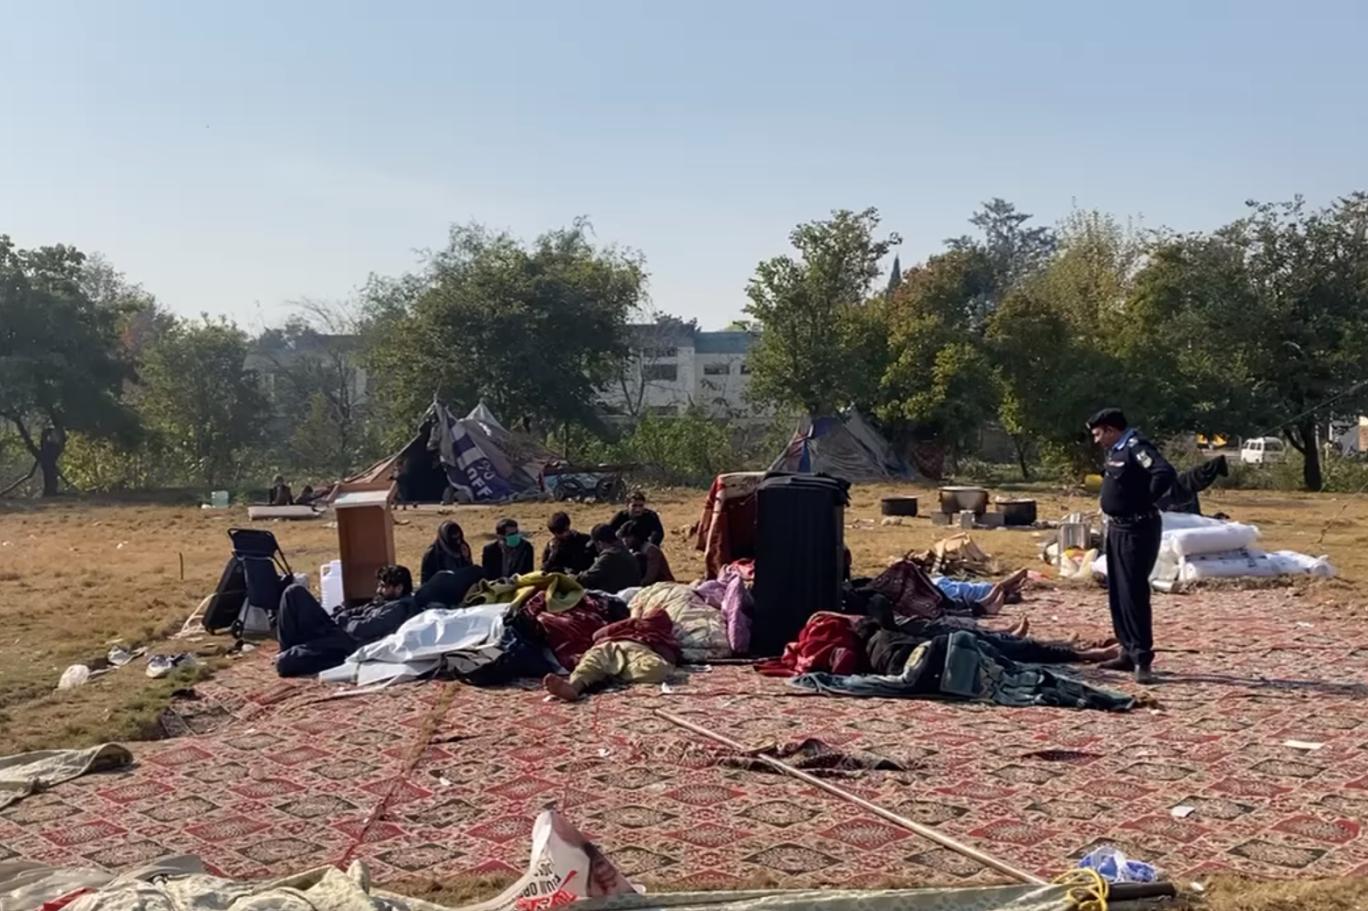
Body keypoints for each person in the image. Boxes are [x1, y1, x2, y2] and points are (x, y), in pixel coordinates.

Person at [1088, 407, 1176, 685]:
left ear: (1112, 430)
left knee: (1134, 592)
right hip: (1117, 527)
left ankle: (1142, 657)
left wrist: (1144, 501)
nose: (1096, 440)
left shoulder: (1137, 447)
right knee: (1118, 591)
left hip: (1138, 528)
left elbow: (1164, 473)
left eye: (1099, 434)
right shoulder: (1116, 450)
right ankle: (1126, 650)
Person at [276, 565, 419, 677]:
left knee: (284, 663)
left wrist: (344, 620)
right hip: (337, 631)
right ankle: (287, 648)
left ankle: (295, 653)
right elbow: (358, 610)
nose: (378, 590)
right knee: (294, 592)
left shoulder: (398, 609)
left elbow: (364, 629)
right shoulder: (385, 601)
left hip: (346, 645)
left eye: (383, 587)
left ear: (399, 588)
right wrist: (342, 615)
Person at [542, 608, 680, 702]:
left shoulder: (661, 638)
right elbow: (597, 635)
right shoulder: (628, 626)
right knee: (591, 662)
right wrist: (629, 622)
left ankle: (608, 676)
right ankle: (573, 687)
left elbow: (669, 658)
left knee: (656, 669)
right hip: (609, 644)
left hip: (638, 651)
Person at [577, 523, 642, 592]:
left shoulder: (609, 556)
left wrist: (572, 577)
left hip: (614, 597)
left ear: (600, 543)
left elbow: (586, 579)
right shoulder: (626, 552)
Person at [620, 519, 674, 585]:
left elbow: (649, 578)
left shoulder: (651, 551)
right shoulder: (632, 550)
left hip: (663, 586)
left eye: (629, 537)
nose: (625, 541)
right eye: (624, 538)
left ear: (638, 536)